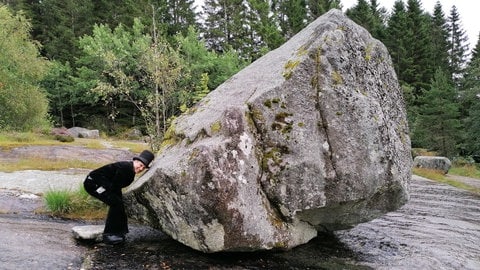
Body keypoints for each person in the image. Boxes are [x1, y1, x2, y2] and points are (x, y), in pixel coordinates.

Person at [83, 150, 154, 245]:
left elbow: (116, 184)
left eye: (143, 167)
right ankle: (108, 235)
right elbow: (101, 178)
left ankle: (120, 232)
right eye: (140, 165)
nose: (141, 168)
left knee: (119, 203)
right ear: (135, 161)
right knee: (115, 203)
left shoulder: (130, 170)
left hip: (105, 185)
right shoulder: (125, 167)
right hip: (93, 184)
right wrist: (109, 191)